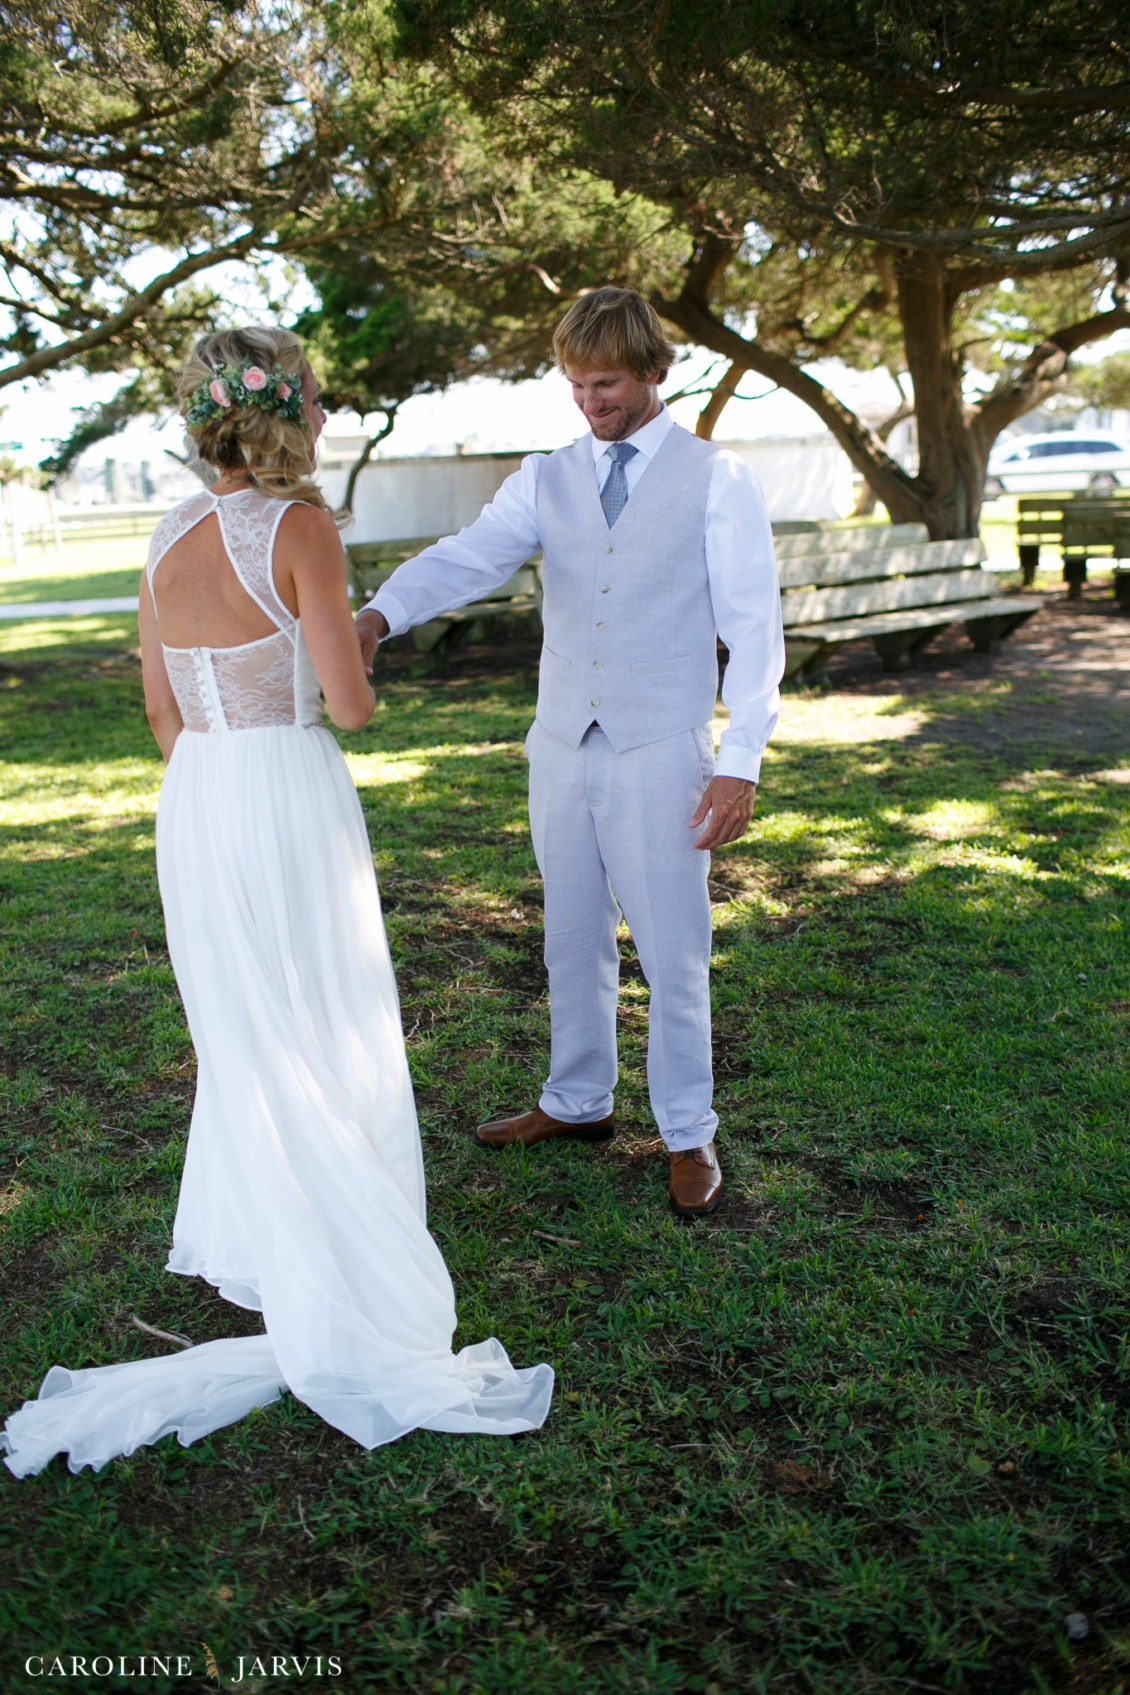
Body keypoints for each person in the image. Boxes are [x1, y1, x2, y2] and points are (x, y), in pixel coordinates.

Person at [1, 327, 552, 1479]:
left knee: (250, 1030)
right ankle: (347, 1261)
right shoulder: (300, 530)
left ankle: (283, 1237)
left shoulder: (163, 536)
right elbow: (347, 709)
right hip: (289, 790)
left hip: (198, 796)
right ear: (290, 409)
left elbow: (160, 715)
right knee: (329, 1013)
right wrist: (339, 647)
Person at [355, 288, 785, 1217]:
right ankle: (579, 1101)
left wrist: (740, 756)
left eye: (610, 383)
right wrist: (377, 616)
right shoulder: (545, 476)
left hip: (663, 746)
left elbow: (755, 628)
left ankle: (688, 1128)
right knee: (570, 933)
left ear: (655, 373)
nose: (593, 402)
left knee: (675, 949)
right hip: (559, 742)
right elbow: (467, 557)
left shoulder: (718, 477)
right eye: (578, 385)